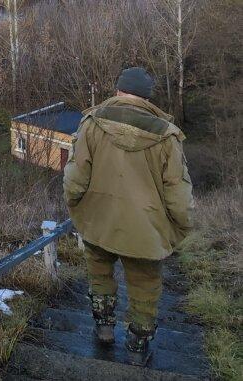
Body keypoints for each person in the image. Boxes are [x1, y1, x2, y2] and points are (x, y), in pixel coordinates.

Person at [63, 67, 194, 366]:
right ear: (146, 97)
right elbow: (179, 194)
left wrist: (76, 207)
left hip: (98, 221)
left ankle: (104, 329)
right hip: (146, 230)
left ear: (119, 91)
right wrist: (181, 227)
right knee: (145, 287)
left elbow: (74, 180)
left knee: (100, 275)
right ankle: (137, 348)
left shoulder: (92, 124)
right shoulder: (167, 136)